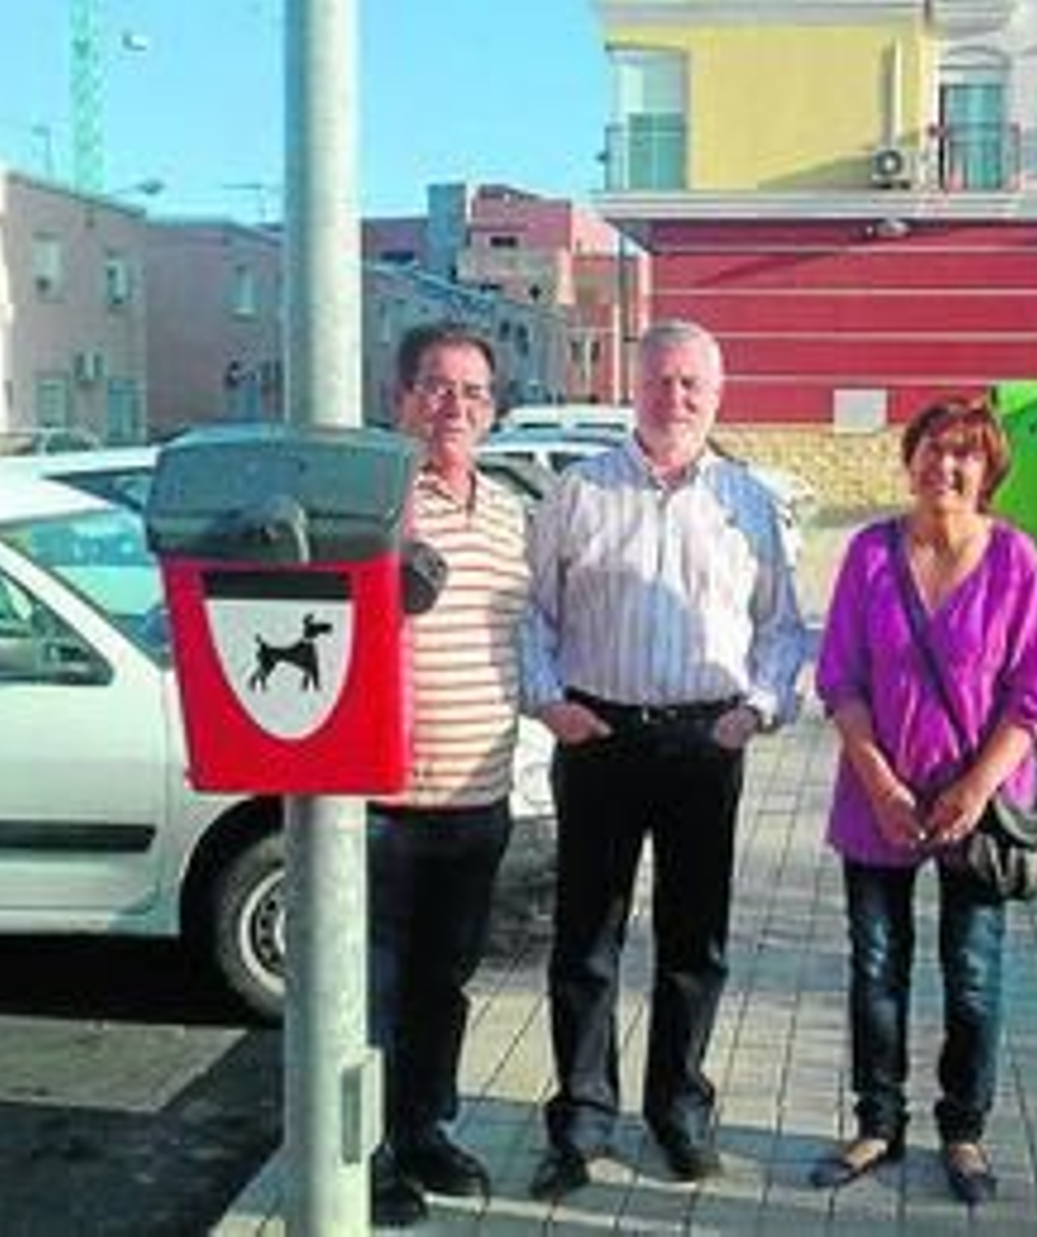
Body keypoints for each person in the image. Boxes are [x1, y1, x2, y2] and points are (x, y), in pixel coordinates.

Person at [520, 318, 807, 1199]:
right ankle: (580, 1119)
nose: (674, 398)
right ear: (632, 386)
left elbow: (784, 626)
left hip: (702, 743)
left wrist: (756, 709)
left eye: (692, 384)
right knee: (586, 939)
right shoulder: (577, 492)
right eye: (660, 381)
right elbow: (531, 613)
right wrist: (550, 702)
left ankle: (679, 1109)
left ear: (716, 395)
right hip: (598, 735)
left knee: (694, 942)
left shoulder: (748, 501)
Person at [809, 397, 1037, 1205]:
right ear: (910, 458)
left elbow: (1036, 694)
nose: (944, 467)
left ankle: (963, 1130)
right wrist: (880, 780)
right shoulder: (869, 555)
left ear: (989, 471)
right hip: (876, 795)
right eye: (931, 449)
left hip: (978, 806)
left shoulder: (1016, 559)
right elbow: (840, 678)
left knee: (974, 974)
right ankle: (878, 1122)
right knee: (877, 967)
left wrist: (975, 784)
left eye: (965, 455)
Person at [368, 322, 531, 1228]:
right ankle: (372, 1154)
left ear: (493, 409)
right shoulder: (379, 501)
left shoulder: (508, 510)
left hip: (480, 794)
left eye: (473, 392)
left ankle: (427, 1128)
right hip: (385, 799)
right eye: (436, 386)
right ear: (402, 399)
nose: (455, 406)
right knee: (376, 993)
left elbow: (527, 633)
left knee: (444, 984)